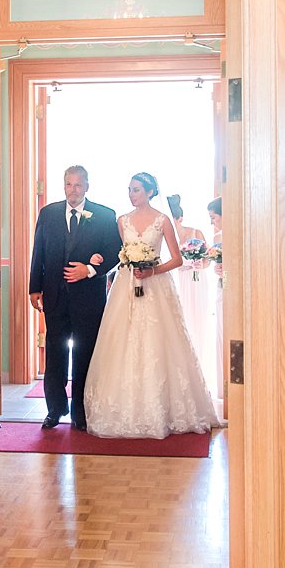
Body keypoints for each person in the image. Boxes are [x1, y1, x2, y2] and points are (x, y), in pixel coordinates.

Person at [84, 172, 218, 439]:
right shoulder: (122, 221)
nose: (131, 194)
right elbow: (116, 254)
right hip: (126, 287)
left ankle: (164, 409)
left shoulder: (162, 220)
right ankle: (123, 409)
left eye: (135, 190)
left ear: (148, 192)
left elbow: (177, 259)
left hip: (156, 287)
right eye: (129, 190)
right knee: (123, 343)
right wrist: (101, 259)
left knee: (159, 342)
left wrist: (152, 270)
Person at [28, 165, 121, 430]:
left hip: (88, 298)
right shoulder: (48, 214)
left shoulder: (104, 215)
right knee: (55, 353)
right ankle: (55, 410)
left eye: (78, 185)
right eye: (68, 185)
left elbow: (114, 251)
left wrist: (90, 270)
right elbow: (39, 252)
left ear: (87, 186)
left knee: (84, 353)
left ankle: (81, 411)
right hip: (55, 296)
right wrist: (35, 288)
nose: (73, 190)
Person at [167, 194, 217, 395]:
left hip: (196, 282)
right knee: (181, 323)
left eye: (175, 221)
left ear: (179, 218)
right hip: (179, 282)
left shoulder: (196, 232)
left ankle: (201, 373)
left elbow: (208, 261)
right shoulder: (167, 239)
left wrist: (199, 263)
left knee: (197, 322)